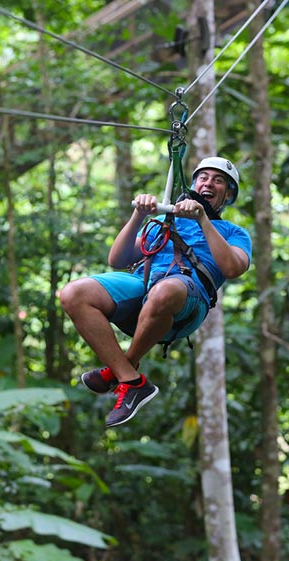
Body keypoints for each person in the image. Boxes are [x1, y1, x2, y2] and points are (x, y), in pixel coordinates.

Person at [60, 156, 252, 428]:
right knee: (73, 293)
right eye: (204, 177)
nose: (209, 183)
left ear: (228, 194)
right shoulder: (166, 220)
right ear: (194, 182)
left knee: (164, 292)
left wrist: (202, 220)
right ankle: (130, 379)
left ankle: (123, 367)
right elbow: (117, 259)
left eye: (218, 181)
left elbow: (232, 268)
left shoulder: (235, 233)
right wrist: (139, 214)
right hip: (144, 286)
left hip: (187, 298)